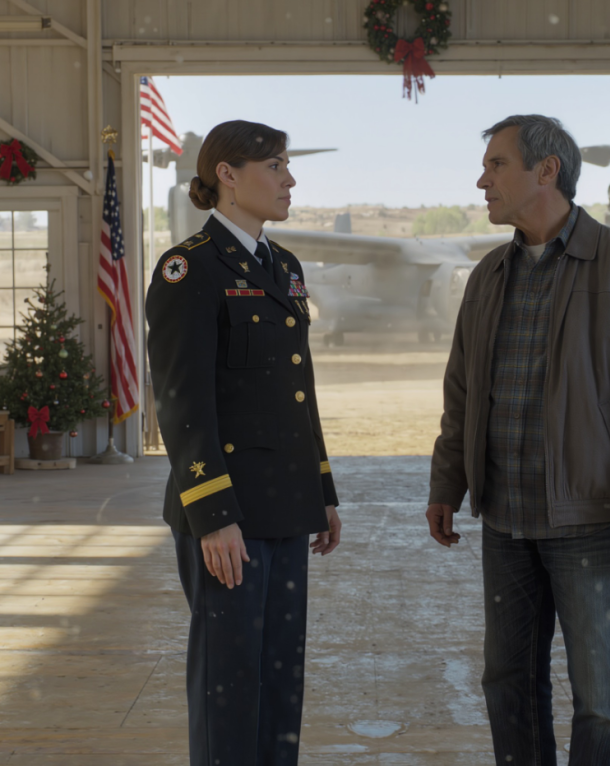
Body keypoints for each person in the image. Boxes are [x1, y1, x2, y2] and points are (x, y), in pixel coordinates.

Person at [426, 115, 610, 766]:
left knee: (600, 697)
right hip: (505, 525)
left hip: (595, 525)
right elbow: (463, 392)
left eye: (496, 165)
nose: (481, 180)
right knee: (508, 682)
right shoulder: (489, 276)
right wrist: (446, 483)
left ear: (546, 171)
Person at [145, 120, 341, 766]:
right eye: (276, 167)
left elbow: (296, 390)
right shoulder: (189, 269)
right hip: (226, 514)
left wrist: (322, 490)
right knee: (227, 682)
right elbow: (183, 404)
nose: (290, 180)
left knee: (281, 677)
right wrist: (213, 516)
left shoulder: (281, 265)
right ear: (228, 174)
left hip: (285, 507)